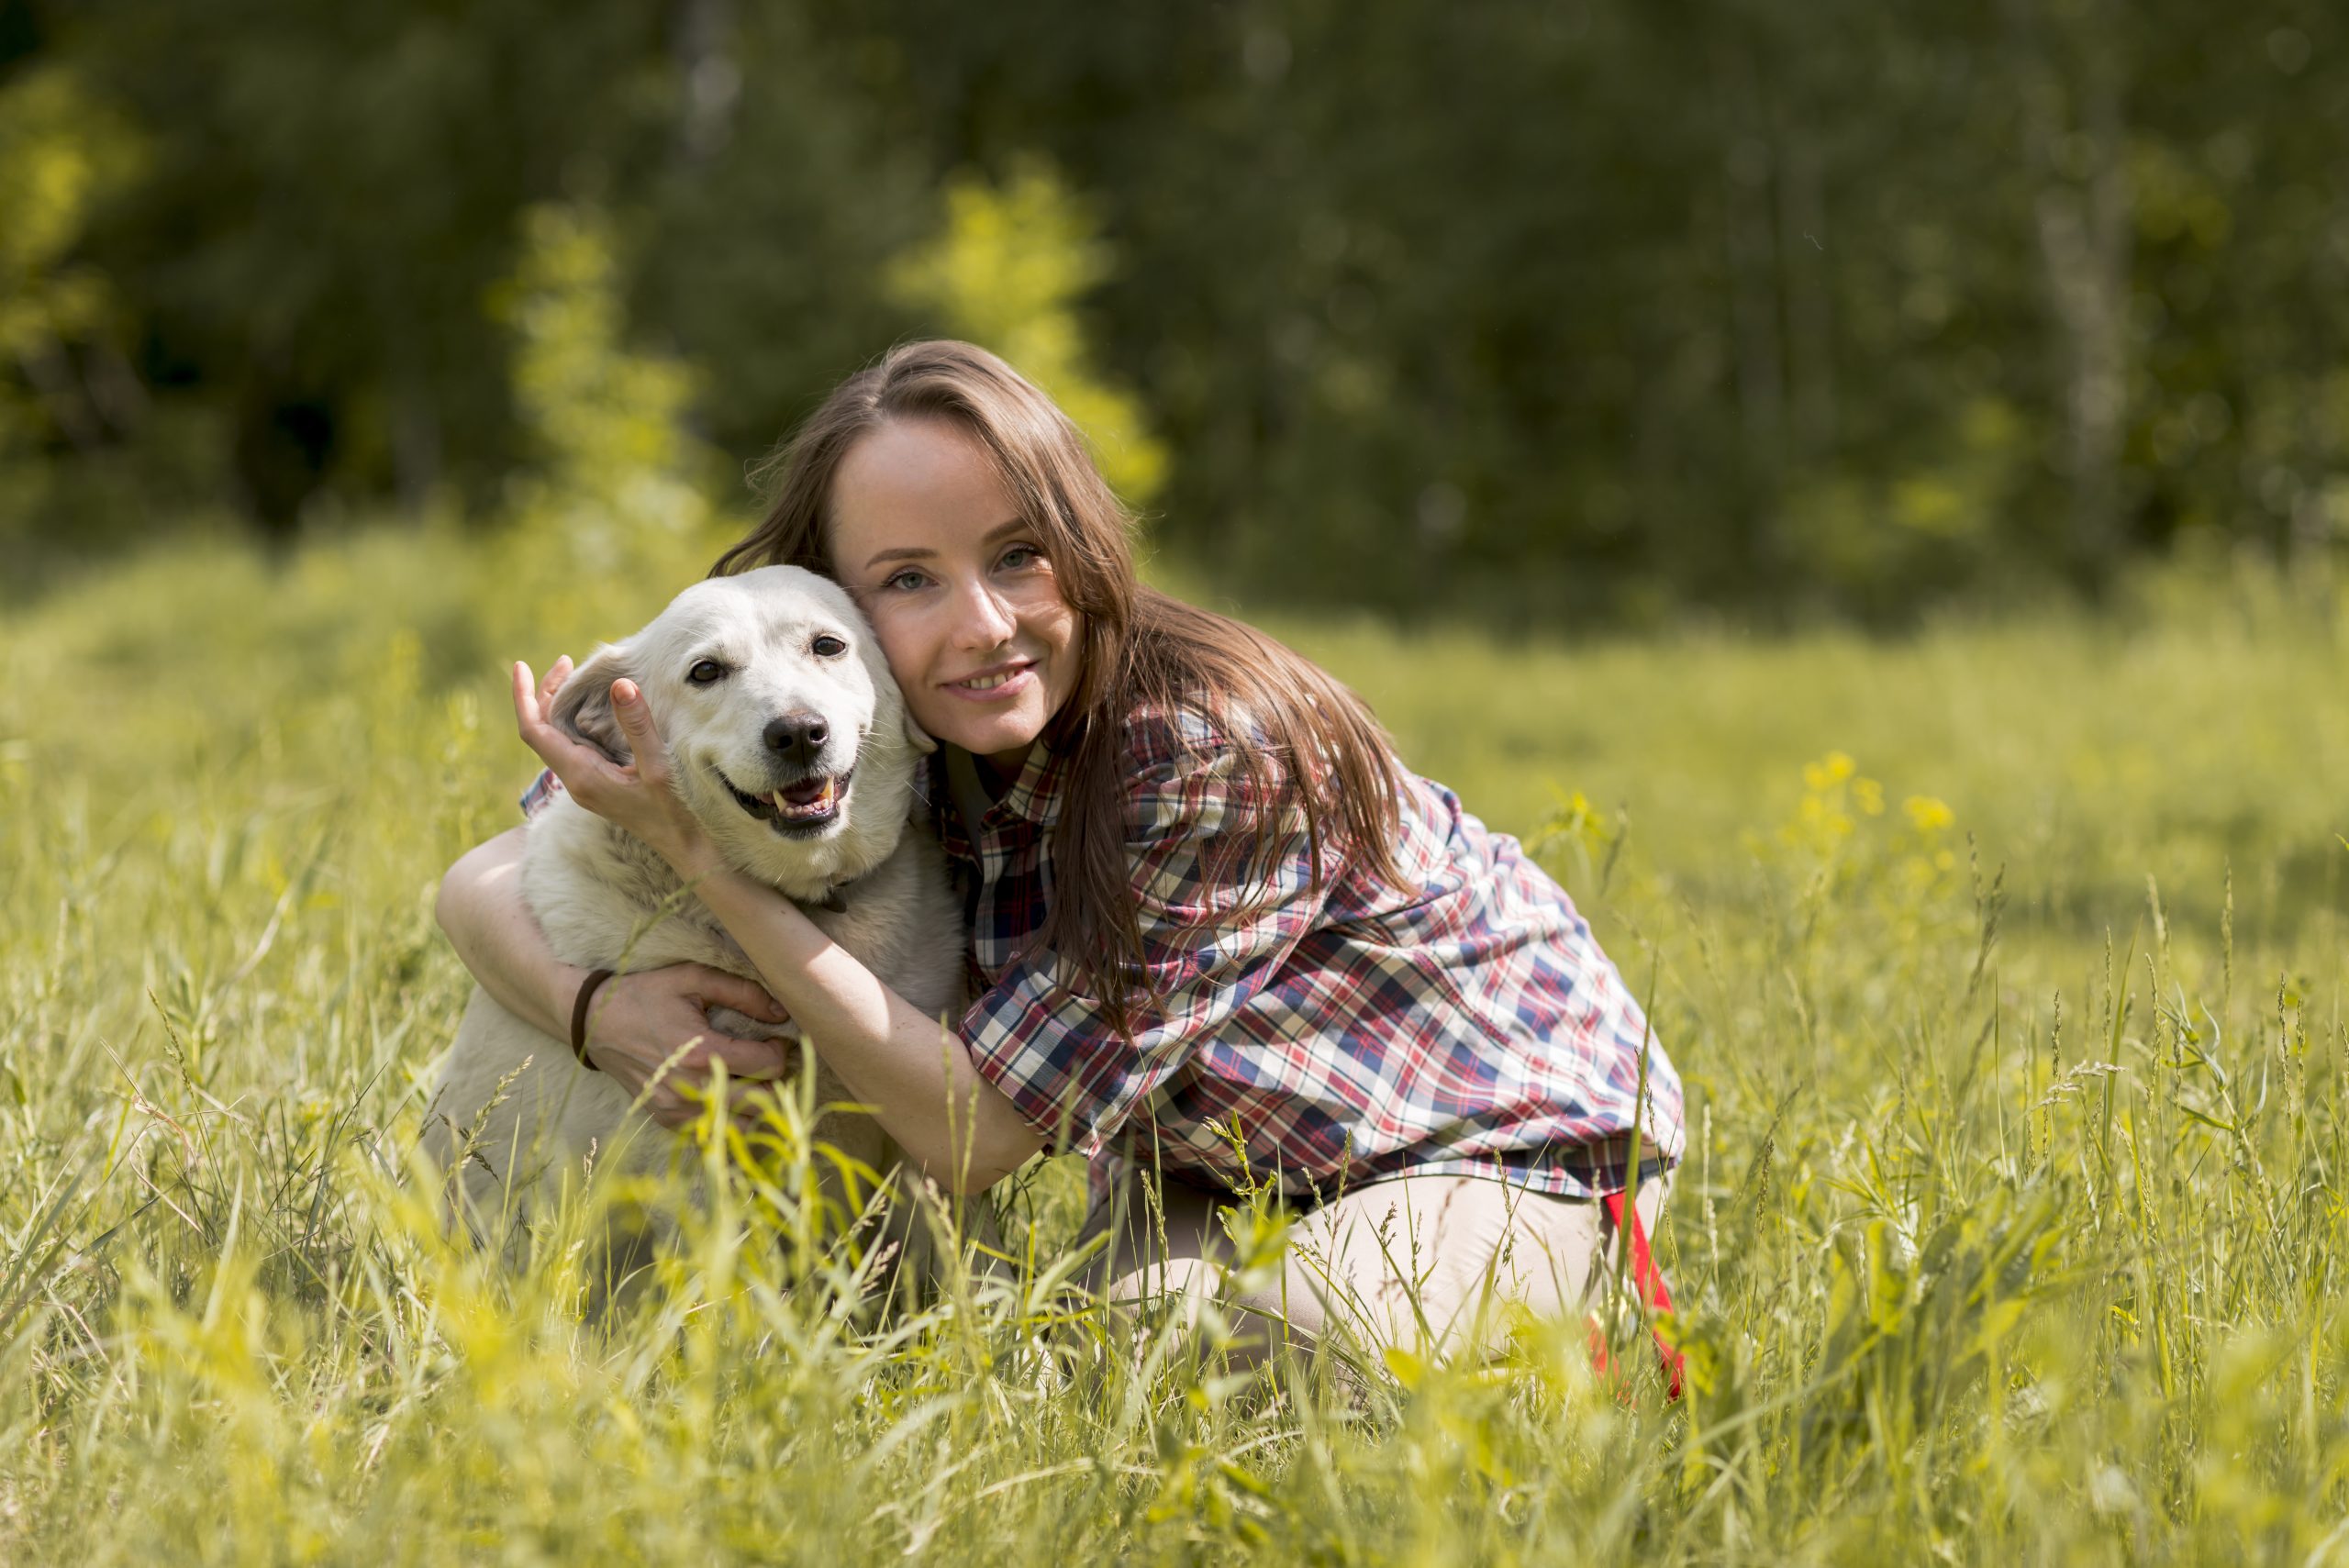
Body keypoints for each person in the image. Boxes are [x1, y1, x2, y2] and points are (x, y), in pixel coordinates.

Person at [435, 339, 1685, 1368]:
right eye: (910, 579)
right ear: (842, 607)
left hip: (1496, 1133)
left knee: (1237, 1355)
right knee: (1114, 1356)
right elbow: (488, 875)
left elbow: (974, 1140)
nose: (982, 627)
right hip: (1219, 1155)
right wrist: (597, 1007)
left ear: (1085, 544)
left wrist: (710, 875)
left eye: (1019, 557)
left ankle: (1582, 1323)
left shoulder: (1198, 750)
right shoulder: (826, 705)